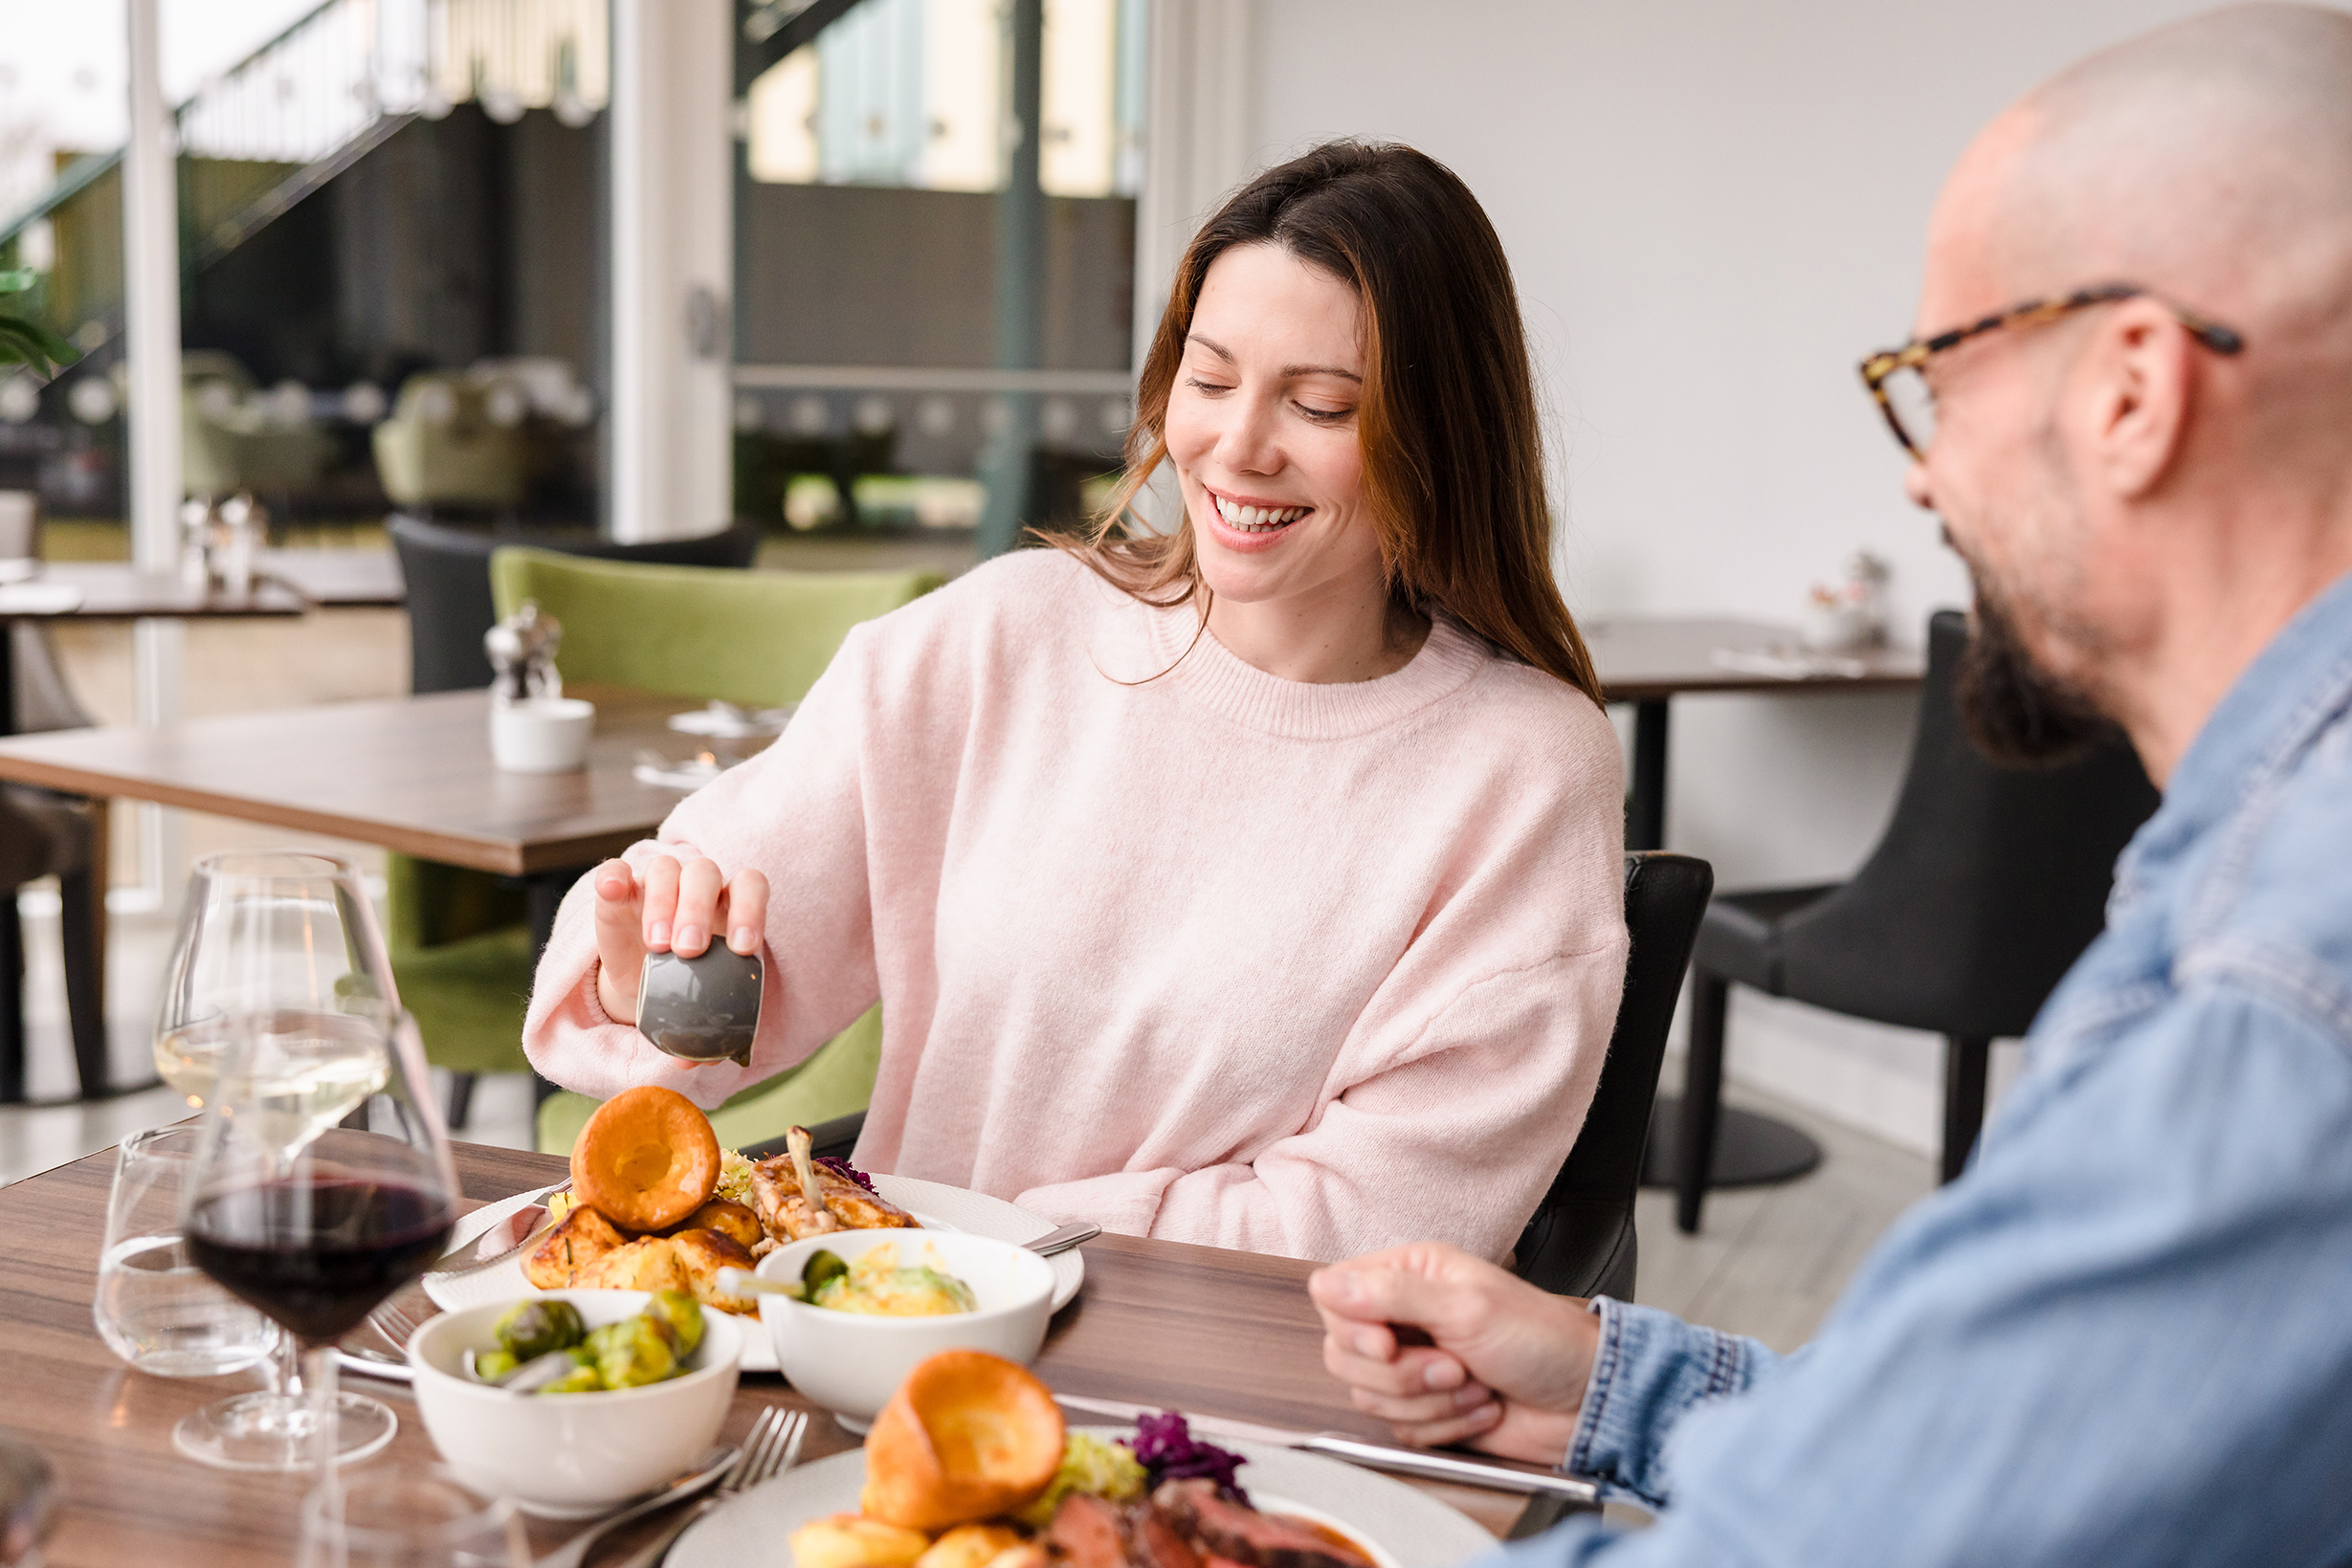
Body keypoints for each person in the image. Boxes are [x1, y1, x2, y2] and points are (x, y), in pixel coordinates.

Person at [1312, 6, 2352, 1560]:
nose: (1921, 474)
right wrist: (1622, 1383)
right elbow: (2027, 1443)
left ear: (2129, 392)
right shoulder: (2248, 895)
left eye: (1933, 381)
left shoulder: (2279, 984)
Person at [522, 142, 1630, 1263]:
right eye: (1207, 380)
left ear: (1438, 435)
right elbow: (721, 989)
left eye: (1321, 405)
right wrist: (649, 967)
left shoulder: (1522, 767)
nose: (1236, 447)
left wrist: (991, 1248)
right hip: (888, 1338)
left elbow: (1374, 1225)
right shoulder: (1005, 634)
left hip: (1199, 1392)